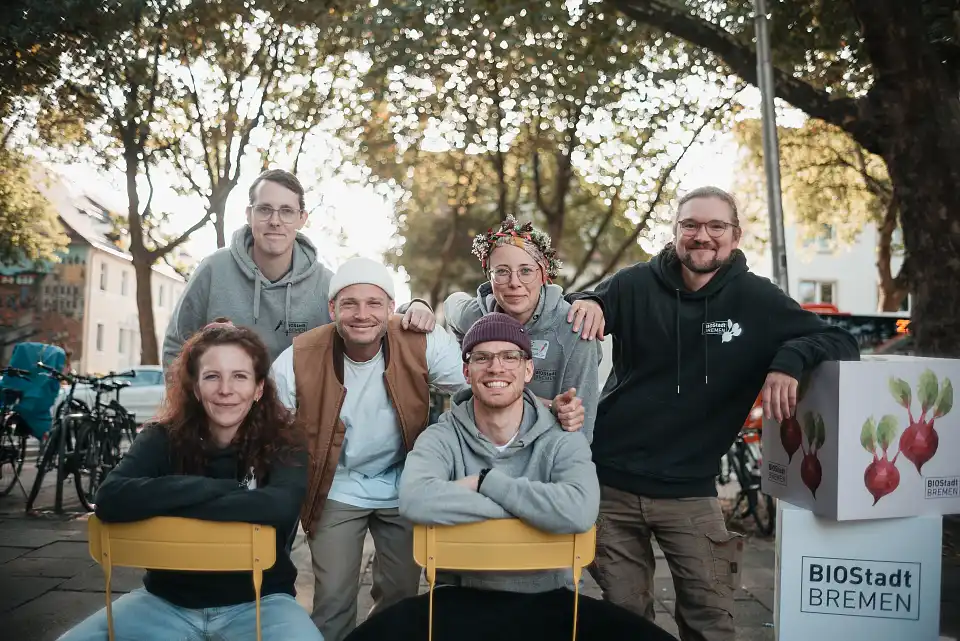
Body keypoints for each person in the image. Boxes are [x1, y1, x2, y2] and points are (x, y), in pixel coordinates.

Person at [565, 186, 860, 641]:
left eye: (715, 226)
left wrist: (788, 362)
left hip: (690, 492)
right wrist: (588, 301)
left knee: (711, 619)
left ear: (735, 236)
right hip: (609, 486)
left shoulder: (757, 299)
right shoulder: (633, 284)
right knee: (625, 618)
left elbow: (841, 340)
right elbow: (580, 303)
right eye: (690, 225)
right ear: (675, 232)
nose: (702, 235)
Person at [344, 313, 678, 641]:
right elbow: (415, 499)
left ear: (528, 369)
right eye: (482, 357)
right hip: (458, 598)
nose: (496, 367)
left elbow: (580, 511)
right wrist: (538, 511)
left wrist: (485, 482)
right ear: (466, 371)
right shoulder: (441, 437)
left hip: (549, 598)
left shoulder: (563, 438)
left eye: (509, 356)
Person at [59, 319, 321, 641]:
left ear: (258, 389)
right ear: (196, 388)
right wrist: (222, 490)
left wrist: (165, 503)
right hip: (165, 601)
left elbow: (279, 507)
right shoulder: (161, 437)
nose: (225, 389)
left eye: (239, 376)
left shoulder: (285, 441)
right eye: (212, 376)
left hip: (261, 601)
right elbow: (110, 498)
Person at [270, 257, 467, 641]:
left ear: (391, 307)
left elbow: (478, 386)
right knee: (333, 600)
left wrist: (540, 409)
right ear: (332, 309)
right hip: (336, 485)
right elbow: (267, 426)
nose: (362, 314)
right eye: (350, 304)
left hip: (404, 483)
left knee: (400, 595)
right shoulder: (299, 356)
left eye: (374, 303)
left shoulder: (421, 341)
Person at [161, 168, 434, 367]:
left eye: (287, 211)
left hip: (297, 421)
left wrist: (414, 307)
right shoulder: (212, 270)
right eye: (264, 209)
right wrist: (189, 408)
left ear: (302, 218)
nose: (275, 221)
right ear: (249, 214)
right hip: (223, 414)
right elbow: (176, 347)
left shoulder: (326, 285)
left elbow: (368, 318)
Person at [442, 216, 597, 440]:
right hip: (481, 443)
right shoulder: (476, 317)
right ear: (489, 277)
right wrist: (418, 307)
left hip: (546, 450)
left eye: (525, 271)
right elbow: (451, 305)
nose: (514, 283)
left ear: (543, 274)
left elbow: (580, 427)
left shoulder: (574, 328)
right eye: (502, 271)